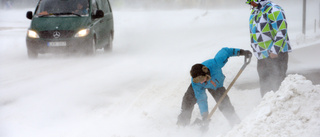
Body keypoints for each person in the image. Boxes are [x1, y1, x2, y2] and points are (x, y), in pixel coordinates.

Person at [176, 47, 252, 130]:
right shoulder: (197, 83)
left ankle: (237, 126)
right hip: (199, 87)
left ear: (205, 72)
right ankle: (181, 127)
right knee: (187, 102)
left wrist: (242, 52)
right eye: (197, 80)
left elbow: (225, 51)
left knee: (225, 105)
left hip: (216, 85)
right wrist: (205, 116)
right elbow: (202, 99)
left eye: (201, 79)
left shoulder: (215, 63)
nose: (200, 82)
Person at [245, 0, 292, 97]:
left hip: (276, 55)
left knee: (277, 83)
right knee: (265, 85)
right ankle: (266, 108)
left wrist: (275, 50)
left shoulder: (273, 9)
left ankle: (280, 108)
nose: (250, 4)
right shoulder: (255, 12)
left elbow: (281, 31)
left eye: (251, 1)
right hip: (262, 56)